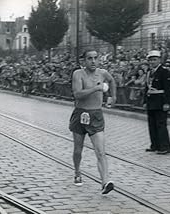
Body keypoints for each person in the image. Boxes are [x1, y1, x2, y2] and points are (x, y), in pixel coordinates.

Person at [69, 49, 117, 194]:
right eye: (90, 58)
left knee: (100, 151)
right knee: (78, 149)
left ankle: (105, 181)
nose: (93, 61)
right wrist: (96, 88)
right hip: (80, 113)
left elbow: (112, 80)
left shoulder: (102, 73)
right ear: (84, 61)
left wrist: (113, 97)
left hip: (96, 114)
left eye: (96, 58)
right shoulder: (78, 74)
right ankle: (77, 171)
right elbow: (77, 94)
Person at [143, 50, 170, 154]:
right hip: (151, 101)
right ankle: (154, 145)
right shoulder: (149, 72)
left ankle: (164, 147)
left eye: (154, 60)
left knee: (161, 125)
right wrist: (145, 101)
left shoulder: (164, 72)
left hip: (160, 101)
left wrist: (166, 103)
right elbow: (146, 88)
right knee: (152, 125)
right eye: (150, 60)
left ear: (159, 60)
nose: (152, 62)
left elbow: (168, 89)